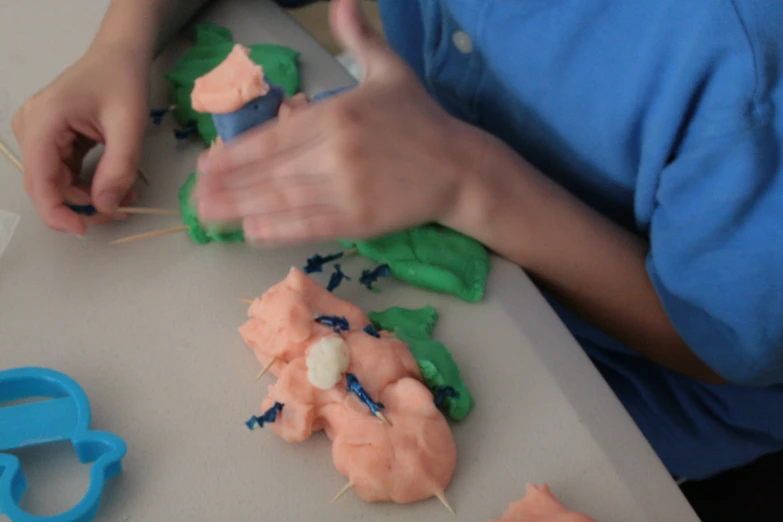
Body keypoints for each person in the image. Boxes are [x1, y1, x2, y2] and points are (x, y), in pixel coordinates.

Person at [12, 0, 783, 481]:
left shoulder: (739, 63)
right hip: (425, 179)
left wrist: (466, 180)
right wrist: (122, 39)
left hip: (639, 372)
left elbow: (719, 349)